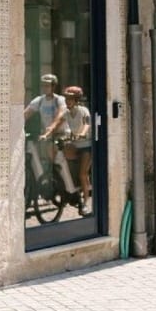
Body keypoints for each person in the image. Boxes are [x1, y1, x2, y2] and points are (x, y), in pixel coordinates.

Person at [24, 73, 78, 198]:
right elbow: (26, 114)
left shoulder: (59, 100)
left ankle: (71, 192)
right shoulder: (40, 100)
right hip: (48, 135)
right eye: (44, 85)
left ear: (54, 87)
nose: (45, 88)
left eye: (48, 86)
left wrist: (50, 129)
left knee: (57, 158)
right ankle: (47, 183)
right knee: (42, 153)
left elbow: (60, 117)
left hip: (61, 134)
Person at [63, 86, 92, 216]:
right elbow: (63, 125)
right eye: (66, 98)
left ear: (76, 100)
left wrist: (82, 133)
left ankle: (85, 203)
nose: (67, 101)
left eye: (70, 99)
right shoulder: (67, 113)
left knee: (82, 174)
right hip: (75, 146)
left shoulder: (83, 110)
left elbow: (87, 123)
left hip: (86, 146)